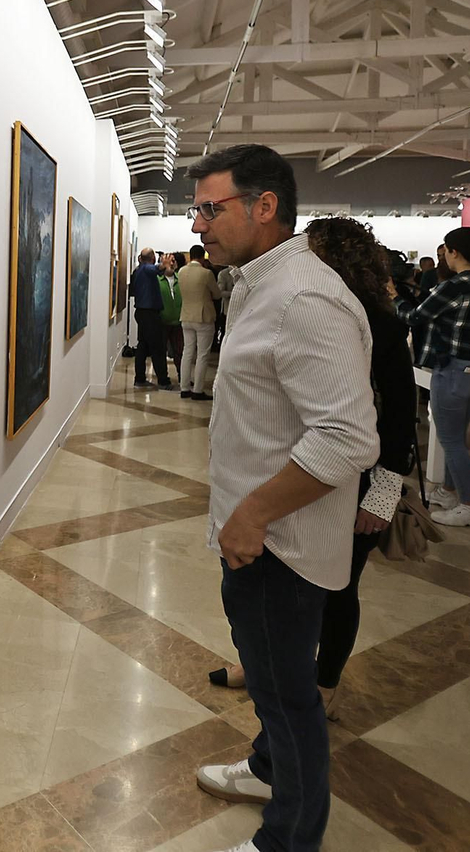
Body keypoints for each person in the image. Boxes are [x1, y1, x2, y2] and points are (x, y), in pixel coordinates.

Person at [186, 146, 379, 852]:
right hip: (260, 535)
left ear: (265, 207)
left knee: (288, 696)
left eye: (213, 207)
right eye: (199, 207)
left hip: (280, 543)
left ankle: (289, 838)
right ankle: (269, 769)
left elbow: (349, 436)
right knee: (269, 678)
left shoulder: (304, 295)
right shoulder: (255, 284)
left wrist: (254, 511)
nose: (199, 222)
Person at [208, 218, 417, 724]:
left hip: (354, 477)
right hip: (297, 472)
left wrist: (383, 493)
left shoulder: (368, 319)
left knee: (337, 589)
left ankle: (321, 684)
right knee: (279, 603)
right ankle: (266, 669)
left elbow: (395, 414)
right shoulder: (287, 301)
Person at [394, 227, 470, 528]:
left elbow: (414, 316)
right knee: (458, 437)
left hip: (454, 371)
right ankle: (450, 491)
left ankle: (469, 507)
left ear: (453, 252)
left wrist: (392, 297)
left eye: (445, 251)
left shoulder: (454, 287)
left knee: (451, 440)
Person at [177, 244, 221, 400]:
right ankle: (197, 390)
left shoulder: (181, 272)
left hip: (186, 315)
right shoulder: (206, 273)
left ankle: (184, 388)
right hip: (203, 317)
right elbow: (216, 294)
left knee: (187, 353)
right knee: (202, 355)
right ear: (203, 257)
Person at [129, 247, 173, 389]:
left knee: (143, 346)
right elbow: (156, 269)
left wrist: (163, 266)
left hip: (142, 312)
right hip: (149, 314)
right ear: (153, 258)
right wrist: (164, 264)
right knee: (157, 347)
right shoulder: (146, 269)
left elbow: (157, 270)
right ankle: (163, 381)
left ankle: (140, 379)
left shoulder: (139, 270)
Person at [158, 253, 184, 384]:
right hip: (162, 321)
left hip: (179, 321)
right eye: (168, 262)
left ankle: (182, 377)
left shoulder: (181, 279)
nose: (171, 264)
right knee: (161, 351)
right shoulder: (157, 280)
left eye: (173, 261)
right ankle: (163, 378)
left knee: (180, 351)